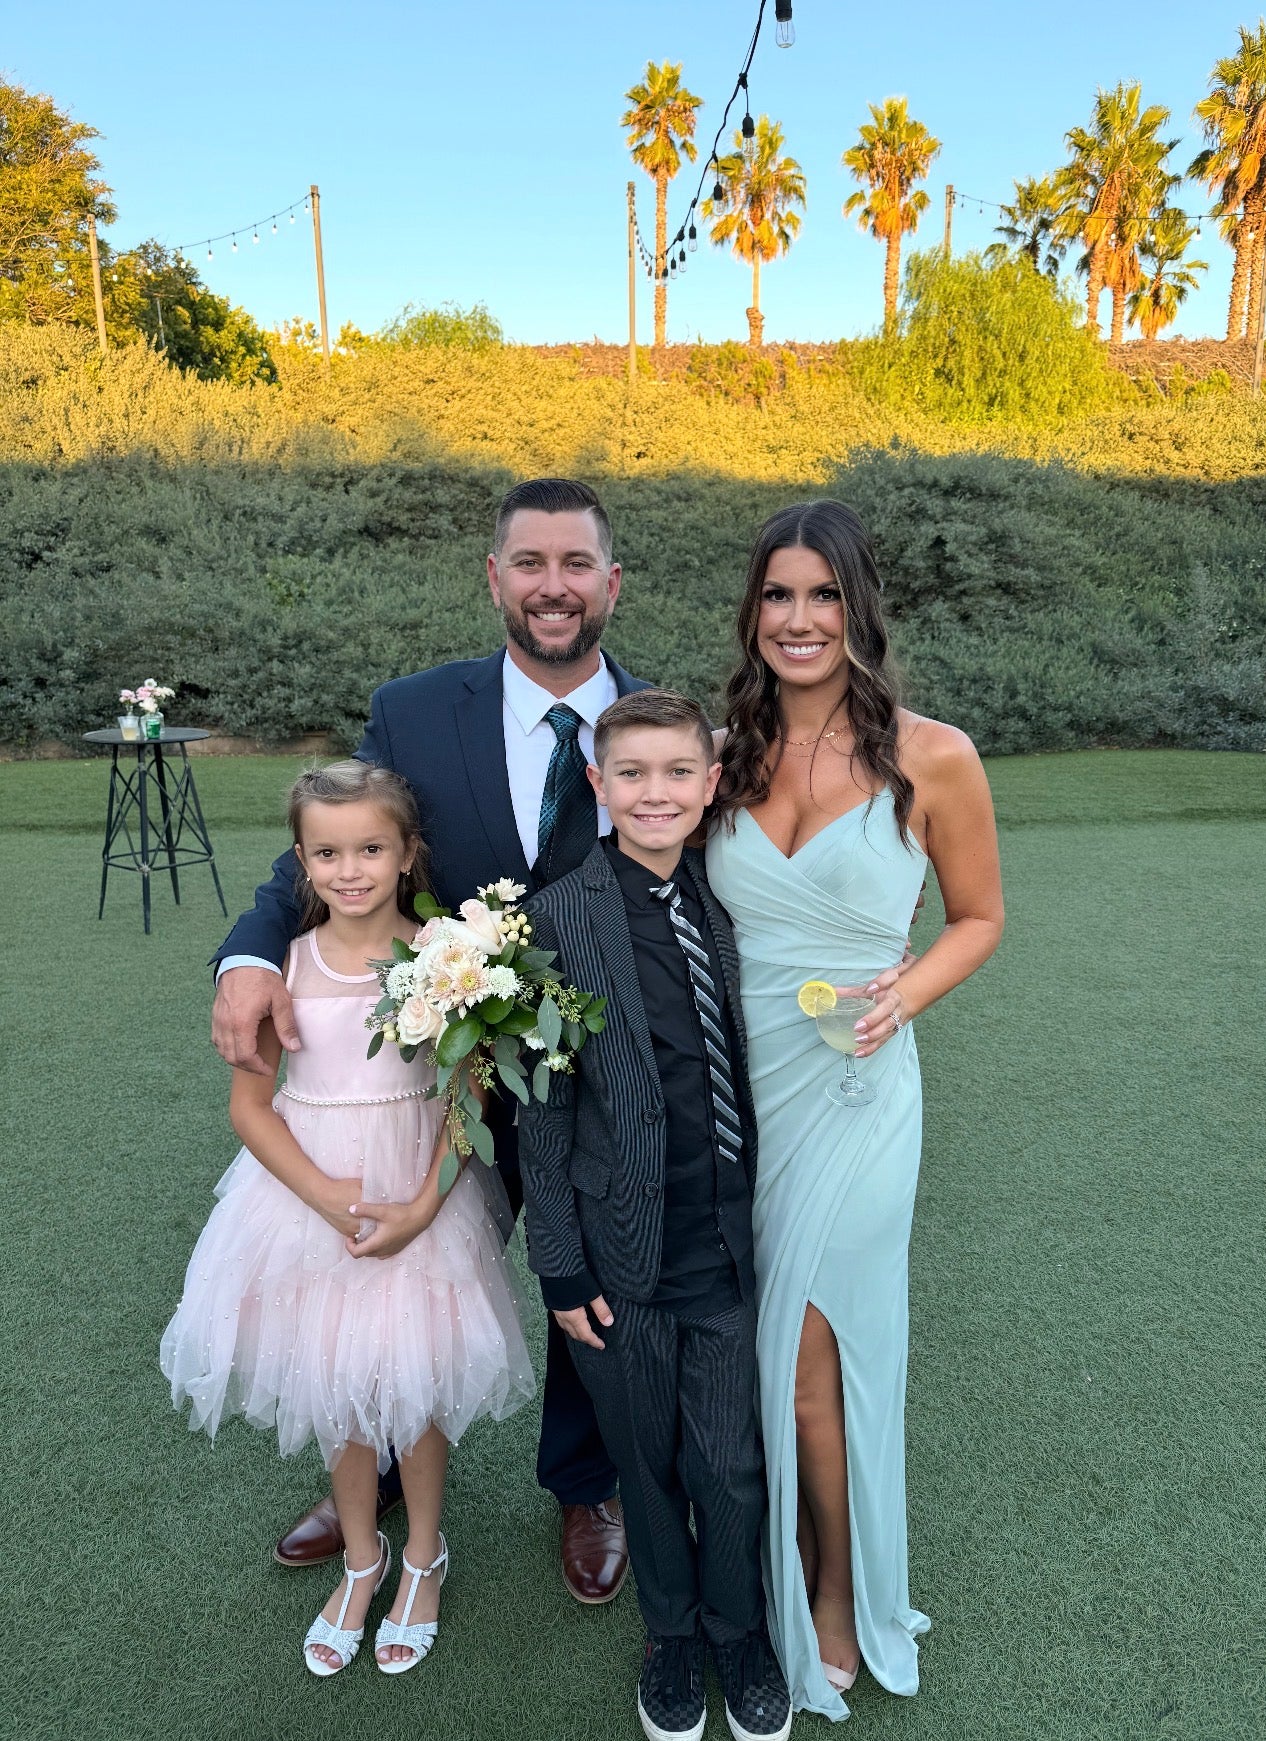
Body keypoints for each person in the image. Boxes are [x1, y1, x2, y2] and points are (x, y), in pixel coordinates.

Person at [209, 476, 644, 1601]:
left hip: (600, 1076)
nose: (555, 586)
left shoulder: (663, 725)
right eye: (531, 562)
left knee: (581, 1278)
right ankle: (382, 1468)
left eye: (576, 563)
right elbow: (330, 848)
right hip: (431, 1072)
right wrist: (251, 955)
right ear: (494, 577)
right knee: (388, 1277)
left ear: (612, 583)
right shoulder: (412, 711)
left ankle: (584, 1483)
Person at [703, 500, 1005, 1719]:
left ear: (860, 606)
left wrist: (904, 997)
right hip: (744, 1088)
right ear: (753, 612)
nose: (800, 619)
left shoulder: (936, 755)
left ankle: (834, 1590)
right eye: (779, 595)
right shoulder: (717, 745)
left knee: (819, 1357)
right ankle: (765, 1555)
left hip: (862, 1088)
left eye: (824, 595)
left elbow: (978, 917)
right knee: (761, 1348)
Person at [162, 762, 535, 1676]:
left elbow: (470, 1097)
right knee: (337, 1381)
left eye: (371, 847)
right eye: (327, 852)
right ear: (301, 860)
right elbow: (251, 1109)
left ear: (408, 853)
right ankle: (362, 1559)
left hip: (419, 1199)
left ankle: (423, 1556)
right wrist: (325, 1197)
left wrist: (421, 1205)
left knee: (419, 1379)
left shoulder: (453, 958)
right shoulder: (280, 965)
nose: (351, 868)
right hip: (305, 1204)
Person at [519, 689, 794, 1741]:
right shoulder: (555, 918)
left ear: (711, 782)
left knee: (728, 1461)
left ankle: (740, 1632)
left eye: (679, 772)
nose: (655, 792)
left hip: (727, 1245)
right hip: (618, 1259)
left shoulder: (734, 901)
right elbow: (543, 1115)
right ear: (597, 785)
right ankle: (672, 1634)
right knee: (649, 1459)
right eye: (630, 773)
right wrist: (559, 1265)